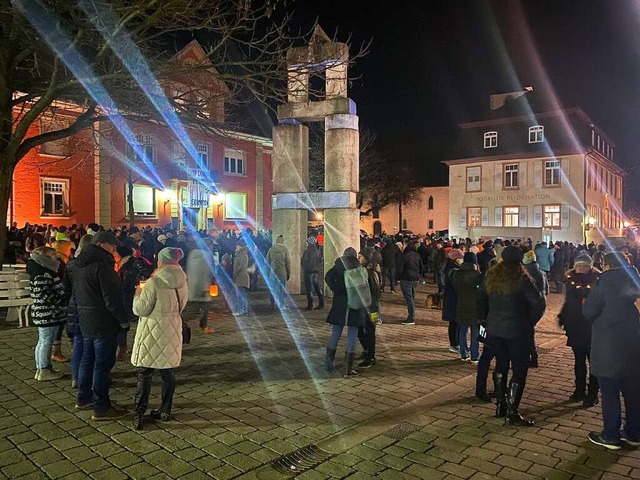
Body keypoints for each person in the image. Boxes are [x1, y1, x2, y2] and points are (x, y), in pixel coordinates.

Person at [478, 246, 546, 426]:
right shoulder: (522, 278)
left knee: (501, 365)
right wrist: (528, 320)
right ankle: (511, 411)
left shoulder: (491, 275)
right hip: (517, 331)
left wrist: (486, 320)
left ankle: (500, 405)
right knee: (519, 370)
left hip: (495, 330)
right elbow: (538, 302)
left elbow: (481, 300)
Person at [583, 252, 640, 450]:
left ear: (607, 265)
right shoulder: (636, 279)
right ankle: (634, 432)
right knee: (633, 392)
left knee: (609, 392)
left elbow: (589, 310)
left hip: (609, 346)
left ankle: (611, 434)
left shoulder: (605, 282)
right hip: (633, 344)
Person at [73, 231, 130, 421]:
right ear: (103, 244)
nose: (114, 251)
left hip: (86, 318)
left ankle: (83, 397)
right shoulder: (102, 266)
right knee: (102, 365)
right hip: (103, 321)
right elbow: (112, 298)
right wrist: (123, 320)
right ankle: (101, 406)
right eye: (113, 247)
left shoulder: (79, 264)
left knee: (87, 359)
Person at [131, 248, 188, 430]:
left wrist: (138, 293)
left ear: (161, 261)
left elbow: (140, 310)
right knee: (168, 372)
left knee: (145, 372)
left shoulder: (153, 282)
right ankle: (165, 410)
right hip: (172, 328)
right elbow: (183, 305)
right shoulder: (182, 280)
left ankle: (139, 413)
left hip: (152, 330)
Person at [558, 252, 600, 407]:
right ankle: (579, 389)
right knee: (579, 360)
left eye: (584, 267)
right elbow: (568, 302)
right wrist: (565, 318)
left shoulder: (597, 280)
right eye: (579, 266)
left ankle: (593, 393)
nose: (581, 269)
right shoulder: (570, 280)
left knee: (593, 361)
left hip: (591, 327)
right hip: (575, 325)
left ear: (590, 267)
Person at [323, 247, 369, 377]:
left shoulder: (337, 267)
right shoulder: (360, 269)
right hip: (355, 305)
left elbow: (328, 277)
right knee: (352, 335)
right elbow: (365, 286)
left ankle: (328, 364)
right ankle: (348, 369)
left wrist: (336, 290)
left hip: (339, 304)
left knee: (335, 333)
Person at [27, 246, 67, 381]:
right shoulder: (42, 273)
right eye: (53, 255)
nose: (57, 257)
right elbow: (44, 295)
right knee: (46, 341)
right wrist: (60, 296)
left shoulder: (44, 271)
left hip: (45, 312)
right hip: (47, 313)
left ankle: (42, 368)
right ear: (45, 258)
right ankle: (44, 369)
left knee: (43, 340)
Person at [453, 252, 482, 364]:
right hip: (475, 306)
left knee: (463, 330)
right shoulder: (478, 275)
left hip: (461, 304)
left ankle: (464, 354)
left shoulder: (457, 274)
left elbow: (456, 290)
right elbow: (481, 292)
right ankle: (475, 356)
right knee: (475, 332)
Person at [522, 250, 548, 368]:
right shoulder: (542, 272)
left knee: (527, 331)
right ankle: (532, 356)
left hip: (531, 305)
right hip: (541, 304)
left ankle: (531, 357)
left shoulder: (526, 273)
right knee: (529, 330)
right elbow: (546, 290)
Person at [357, 249, 382, 369]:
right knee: (362, 330)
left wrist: (371, 307)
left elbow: (375, 292)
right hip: (369, 307)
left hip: (372, 308)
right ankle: (367, 350)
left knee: (370, 331)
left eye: (360, 257)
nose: (358, 259)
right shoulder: (366, 271)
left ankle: (370, 356)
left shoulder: (371, 273)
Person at [184, 239, 215, 334]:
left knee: (196, 307)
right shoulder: (208, 255)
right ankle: (181, 323)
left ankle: (202, 326)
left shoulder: (192, 254)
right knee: (197, 309)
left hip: (192, 286)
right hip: (203, 286)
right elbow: (209, 271)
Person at [396, 240, 424, 325]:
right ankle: (411, 315)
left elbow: (400, 268)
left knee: (409, 299)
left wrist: (398, 278)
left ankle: (411, 318)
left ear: (406, 245)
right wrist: (419, 275)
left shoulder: (404, 255)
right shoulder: (417, 254)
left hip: (406, 278)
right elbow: (421, 266)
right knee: (412, 297)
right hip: (415, 278)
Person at [442, 249, 463, 351]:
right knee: (454, 323)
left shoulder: (451, 268)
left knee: (455, 322)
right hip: (453, 299)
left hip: (452, 298)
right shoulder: (453, 270)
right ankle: (454, 343)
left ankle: (455, 343)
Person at [266, 235, 291, 310]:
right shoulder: (285, 250)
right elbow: (288, 263)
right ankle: (281, 305)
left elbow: (267, 261)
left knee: (272, 288)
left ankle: (272, 303)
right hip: (282, 272)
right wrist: (288, 273)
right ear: (282, 241)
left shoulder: (271, 249)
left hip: (273, 272)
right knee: (281, 289)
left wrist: (268, 272)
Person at [301, 236, 324, 310]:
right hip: (316, 272)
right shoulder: (318, 250)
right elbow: (320, 260)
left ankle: (310, 305)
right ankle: (321, 303)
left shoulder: (307, 251)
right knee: (317, 288)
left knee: (309, 289)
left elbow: (304, 261)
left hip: (308, 272)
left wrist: (304, 268)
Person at [232, 240, 250, 316]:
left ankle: (241, 310)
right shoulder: (241, 254)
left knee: (240, 295)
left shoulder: (242, 255)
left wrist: (235, 272)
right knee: (242, 294)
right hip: (241, 276)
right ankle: (244, 309)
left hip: (241, 277)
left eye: (237, 246)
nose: (236, 247)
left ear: (240, 246)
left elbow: (240, 267)